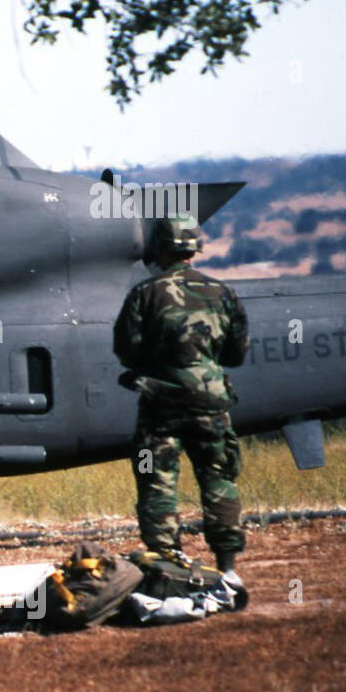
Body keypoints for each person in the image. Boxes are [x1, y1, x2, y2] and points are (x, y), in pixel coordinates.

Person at [113, 214, 250, 584]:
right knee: (219, 479)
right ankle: (228, 569)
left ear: (158, 247)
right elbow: (236, 354)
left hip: (159, 409)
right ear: (194, 247)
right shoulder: (223, 293)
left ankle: (167, 566)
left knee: (154, 478)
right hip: (212, 405)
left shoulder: (143, 294)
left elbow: (126, 351)